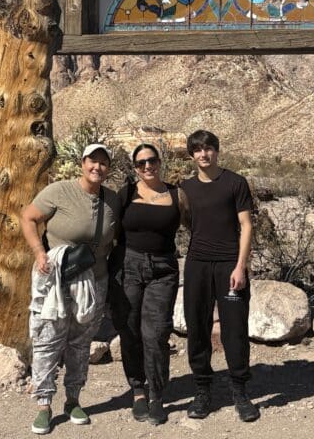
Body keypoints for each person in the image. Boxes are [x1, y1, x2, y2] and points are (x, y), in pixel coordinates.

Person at [21, 143, 120, 435]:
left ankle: (73, 399)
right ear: (82, 162)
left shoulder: (112, 199)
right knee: (47, 339)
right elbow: (28, 218)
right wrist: (39, 252)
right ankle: (43, 403)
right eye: (92, 161)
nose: (97, 167)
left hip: (94, 281)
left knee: (80, 342)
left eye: (103, 163)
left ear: (108, 168)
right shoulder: (59, 191)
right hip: (55, 278)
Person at [179, 130, 260, 422]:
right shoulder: (184, 188)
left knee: (234, 329)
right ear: (191, 155)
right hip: (197, 264)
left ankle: (240, 391)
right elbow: (186, 221)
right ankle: (203, 391)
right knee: (197, 327)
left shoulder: (235, 183)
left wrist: (241, 266)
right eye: (197, 150)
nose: (203, 155)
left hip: (229, 264)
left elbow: (246, 225)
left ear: (217, 151)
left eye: (208, 149)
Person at [110, 144, 186, 425]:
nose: (147, 167)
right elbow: (109, 229)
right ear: (135, 168)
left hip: (163, 270)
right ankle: (138, 389)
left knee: (155, 333)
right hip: (129, 266)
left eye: (151, 161)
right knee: (129, 329)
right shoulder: (126, 193)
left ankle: (157, 393)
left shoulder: (177, 195)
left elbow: (197, 225)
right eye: (140, 163)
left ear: (160, 162)